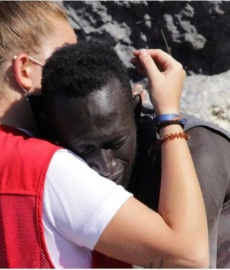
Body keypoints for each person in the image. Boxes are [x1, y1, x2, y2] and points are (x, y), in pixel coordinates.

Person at [0, 1, 208, 268]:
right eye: (64, 54)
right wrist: (169, 116)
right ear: (24, 70)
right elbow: (189, 255)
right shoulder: (47, 168)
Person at [41, 40, 230, 268]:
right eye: (85, 150)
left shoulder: (198, 152)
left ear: (136, 109)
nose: (105, 167)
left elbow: (188, 265)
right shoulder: (50, 157)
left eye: (116, 143)